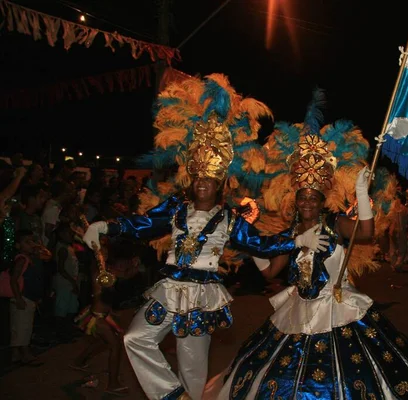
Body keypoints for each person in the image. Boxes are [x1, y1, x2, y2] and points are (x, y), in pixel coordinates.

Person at [82, 74, 328, 400]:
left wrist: (297, 241)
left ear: (219, 184)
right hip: (168, 290)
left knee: (193, 368)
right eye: (198, 177)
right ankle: (172, 395)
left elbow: (261, 244)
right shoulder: (174, 208)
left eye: (209, 179)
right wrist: (106, 227)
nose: (202, 183)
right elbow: (141, 224)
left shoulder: (229, 219)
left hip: (203, 295)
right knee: (135, 339)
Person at [207, 97, 408, 399]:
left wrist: (360, 192)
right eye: (302, 197)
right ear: (295, 199)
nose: (306, 202)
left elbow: (366, 232)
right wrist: (249, 242)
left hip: (337, 307)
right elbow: (272, 272)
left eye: (313, 198)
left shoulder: (336, 223)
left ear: (321, 201)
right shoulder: (288, 233)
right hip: (297, 308)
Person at [71, 236, 128, 396]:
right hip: (97, 317)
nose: (104, 252)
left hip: (103, 314)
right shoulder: (97, 271)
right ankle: (113, 384)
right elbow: (99, 292)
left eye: (105, 249)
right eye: (101, 251)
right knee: (115, 346)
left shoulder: (106, 270)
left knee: (105, 343)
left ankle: (80, 361)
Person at [9, 230, 49, 366]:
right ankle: (25, 354)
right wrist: (19, 298)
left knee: (18, 327)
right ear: (18, 245)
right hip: (23, 297)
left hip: (25, 297)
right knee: (24, 327)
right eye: (27, 242)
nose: (32, 245)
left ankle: (16, 354)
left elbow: (47, 255)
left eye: (33, 241)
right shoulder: (22, 259)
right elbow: (13, 280)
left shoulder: (29, 258)